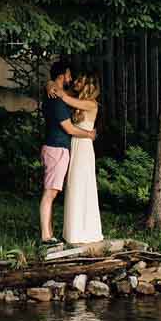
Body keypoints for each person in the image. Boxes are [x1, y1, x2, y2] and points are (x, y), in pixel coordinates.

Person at [39, 59, 95, 246]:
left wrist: (51, 84)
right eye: (70, 76)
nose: (72, 80)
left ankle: (53, 232)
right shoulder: (57, 98)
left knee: (57, 191)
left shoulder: (62, 96)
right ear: (62, 75)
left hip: (63, 148)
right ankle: (46, 236)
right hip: (57, 148)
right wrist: (88, 134)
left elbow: (67, 96)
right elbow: (69, 128)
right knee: (50, 193)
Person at [59, 75, 103, 246]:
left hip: (84, 148)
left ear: (87, 86)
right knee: (73, 185)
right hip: (75, 145)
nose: (75, 83)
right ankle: (73, 230)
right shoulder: (79, 101)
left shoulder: (91, 104)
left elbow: (65, 97)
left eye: (79, 81)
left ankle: (86, 231)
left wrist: (55, 88)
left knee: (81, 185)